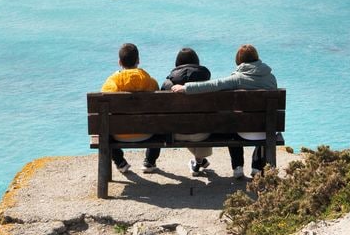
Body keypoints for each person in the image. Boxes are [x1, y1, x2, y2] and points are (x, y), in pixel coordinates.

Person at [171, 43, 278, 178]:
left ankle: (238, 167)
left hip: (242, 131)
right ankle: (257, 168)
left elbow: (213, 85)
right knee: (263, 120)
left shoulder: (237, 79)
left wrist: (186, 88)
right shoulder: (271, 78)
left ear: (239, 61)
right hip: (267, 130)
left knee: (231, 121)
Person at [144, 47, 212, 175]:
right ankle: (199, 160)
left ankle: (149, 161)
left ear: (177, 64)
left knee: (161, 119)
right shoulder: (207, 82)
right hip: (204, 132)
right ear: (197, 62)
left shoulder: (167, 84)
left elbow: (159, 111)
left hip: (175, 133)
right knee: (198, 121)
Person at [100, 42, 159, 173]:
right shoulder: (150, 82)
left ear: (119, 62)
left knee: (104, 126)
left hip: (119, 134)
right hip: (147, 133)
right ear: (138, 60)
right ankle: (150, 161)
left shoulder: (112, 83)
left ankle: (120, 162)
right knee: (159, 120)